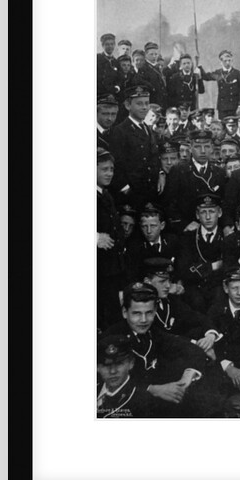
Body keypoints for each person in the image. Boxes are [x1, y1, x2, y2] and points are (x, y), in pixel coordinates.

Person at [104, 282, 230, 417]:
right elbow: (110, 382)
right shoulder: (112, 338)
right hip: (125, 406)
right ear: (124, 312)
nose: (144, 320)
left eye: (149, 313)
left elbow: (187, 347)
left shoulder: (152, 332)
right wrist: (153, 389)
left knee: (202, 371)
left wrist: (188, 375)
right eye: (136, 313)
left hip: (155, 398)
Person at [162, 129, 228, 233]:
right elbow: (169, 203)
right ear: (191, 148)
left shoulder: (219, 173)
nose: (202, 151)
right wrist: (184, 224)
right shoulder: (179, 170)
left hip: (213, 229)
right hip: (187, 230)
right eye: (198, 147)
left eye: (206, 147)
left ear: (211, 148)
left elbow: (224, 204)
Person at [109, 84, 160, 209]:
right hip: (131, 198)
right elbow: (117, 166)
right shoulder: (120, 131)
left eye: (146, 103)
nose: (144, 108)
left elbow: (153, 158)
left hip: (150, 194)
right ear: (127, 106)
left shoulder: (147, 129)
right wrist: (128, 192)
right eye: (139, 104)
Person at [176, 193, 226, 312]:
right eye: (203, 212)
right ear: (197, 215)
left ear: (219, 213)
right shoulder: (188, 237)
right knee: (195, 301)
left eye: (212, 211)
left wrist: (201, 268)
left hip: (218, 287)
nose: (208, 217)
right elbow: (184, 270)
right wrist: (214, 266)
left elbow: (227, 267)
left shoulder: (226, 237)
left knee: (219, 300)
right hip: (195, 287)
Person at [97, 148, 125, 329]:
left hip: (111, 266)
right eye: (104, 169)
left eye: (111, 169)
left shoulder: (105, 194)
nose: (109, 174)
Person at [97, 335, 153, 418]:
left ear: (131, 363)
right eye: (106, 365)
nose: (113, 371)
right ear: (97, 367)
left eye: (119, 363)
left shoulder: (143, 400)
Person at [124, 202, 181, 282]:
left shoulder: (172, 241)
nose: (149, 231)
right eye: (144, 226)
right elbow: (132, 277)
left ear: (162, 225)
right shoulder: (135, 247)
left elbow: (180, 270)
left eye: (153, 226)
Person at [199, 49, 240, 119]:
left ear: (232, 60)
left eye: (229, 60)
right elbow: (205, 77)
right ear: (221, 62)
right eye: (225, 61)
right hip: (223, 107)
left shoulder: (238, 74)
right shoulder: (218, 73)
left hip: (235, 107)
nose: (228, 63)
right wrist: (199, 67)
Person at [136, 42, 168, 107]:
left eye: (156, 54)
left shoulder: (157, 67)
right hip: (151, 101)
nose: (154, 56)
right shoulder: (143, 68)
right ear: (145, 54)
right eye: (151, 54)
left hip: (161, 101)